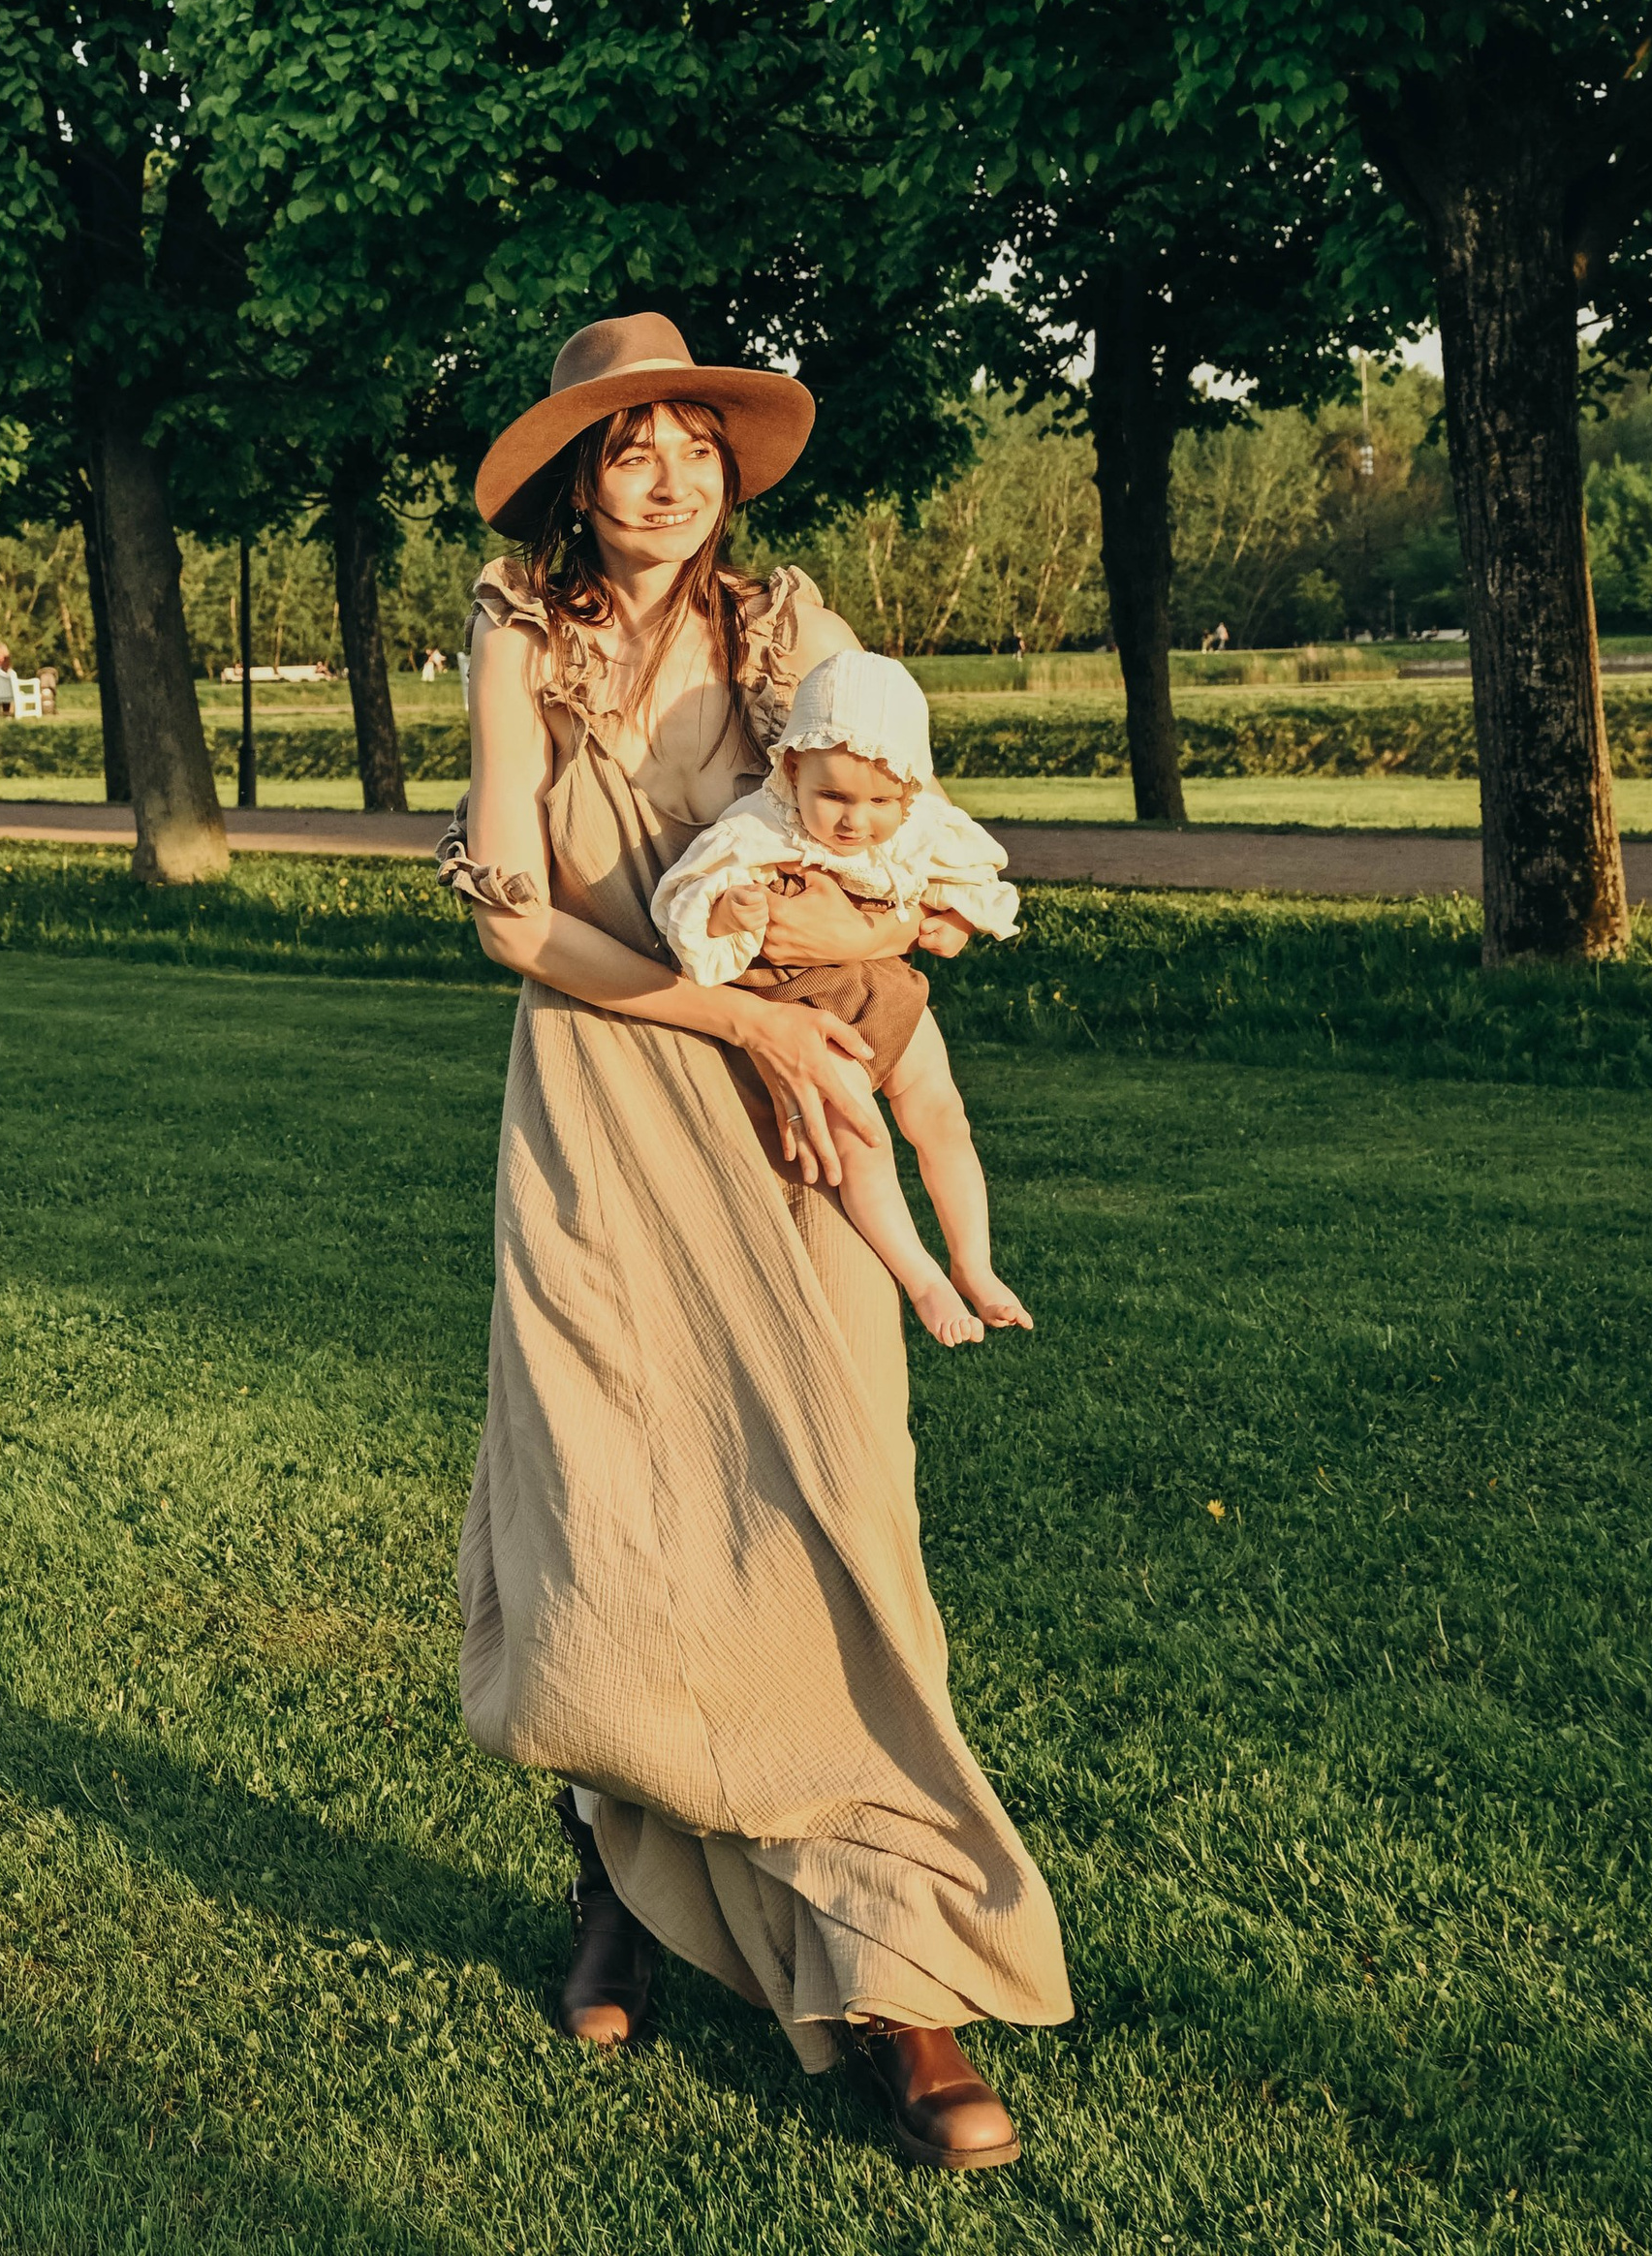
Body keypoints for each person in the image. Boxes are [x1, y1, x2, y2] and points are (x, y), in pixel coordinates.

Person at [444, 313, 1071, 2171]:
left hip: (787, 1128)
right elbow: (512, 923)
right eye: (627, 443)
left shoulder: (787, 630)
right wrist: (752, 1022)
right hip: (601, 1113)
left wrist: (844, 1018)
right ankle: (625, 1878)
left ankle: (905, 1975)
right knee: (610, 1517)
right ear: (577, 471)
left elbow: (885, 860)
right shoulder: (510, 629)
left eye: (693, 443)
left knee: (833, 1500)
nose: (665, 472)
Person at [651, 645, 1032, 1347]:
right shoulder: (758, 828)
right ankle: (923, 1279)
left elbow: (972, 868)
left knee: (943, 1119)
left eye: (880, 802)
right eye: (835, 798)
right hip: (812, 1005)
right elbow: (686, 898)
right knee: (863, 1140)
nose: (857, 821)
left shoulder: (915, 824)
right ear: (793, 768)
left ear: (909, 789)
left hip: (892, 988)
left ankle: (973, 1262)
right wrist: (731, 915)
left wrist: (955, 917)